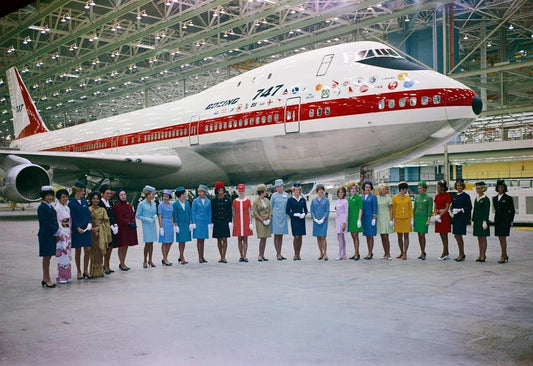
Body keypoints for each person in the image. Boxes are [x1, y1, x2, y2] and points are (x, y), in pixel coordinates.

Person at [68, 181, 92, 279]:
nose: (84, 193)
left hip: (86, 229)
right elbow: (72, 217)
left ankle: (86, 270)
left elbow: (87, 214)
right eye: (82, 191)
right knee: (78, 251)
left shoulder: (84, 202)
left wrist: (90, 222)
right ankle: (79, 271)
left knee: (88, 250)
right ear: (77, 191)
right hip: (78, 230)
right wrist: (77, 227)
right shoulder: (71, 203)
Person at [37, 186, 59, 288]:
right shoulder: (42, 207)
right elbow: (44, 222)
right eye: (47, 195)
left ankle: (45, 278)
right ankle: (47, 278)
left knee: (48, 257)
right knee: (46, 257)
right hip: (46, 235)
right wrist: (56, 230)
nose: (49, 197)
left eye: (51, 195)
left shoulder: (49, 206)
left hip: (51, 234)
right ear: (43, 196)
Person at [112, 188, 138, 270]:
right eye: (121, 195)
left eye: (124, 194)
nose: (123, 196)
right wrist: (128, 222)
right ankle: (122, 263)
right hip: (122, 229)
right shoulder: (116, 206)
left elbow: (132, 215)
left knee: (126, 246)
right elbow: (119, 218)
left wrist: (133, 221)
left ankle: (123, 262)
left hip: (128, 228)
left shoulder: (128, 205)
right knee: (121, 246)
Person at [88, 191, 111, 278]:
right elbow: (86, 221)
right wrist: (93, 229)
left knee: (100, 251)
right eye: (94, 198)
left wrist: (99, 228)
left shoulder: (102, 210)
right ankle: (92, 271)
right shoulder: (88, 209)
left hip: (100, 233)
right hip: (90, 233)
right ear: (91, 199)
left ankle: (99, 271)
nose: (95, 200)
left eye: (97, 199)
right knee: (92, 252)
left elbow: (106, 221)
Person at [493, 179, 515, 264]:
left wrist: (511, 220)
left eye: (502, 187)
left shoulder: (508, 198)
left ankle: (503, 255)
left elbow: (512, 210)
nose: (500, 189)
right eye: (499, 187)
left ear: (504, 188)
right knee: (500, 238)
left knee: (503, 238)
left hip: (505, 221)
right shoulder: (495, 198)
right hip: (498, 220)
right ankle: (505, 255)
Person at [136, 185, 158, 268]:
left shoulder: (154, 203)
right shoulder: (141, 204)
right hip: (146, 224)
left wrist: (155, 216)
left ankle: (150, 259)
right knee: (147, 243)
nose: (153, 196)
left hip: (152, 224)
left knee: (151, 243)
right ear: (147, 195)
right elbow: (138, 215)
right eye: (152, 194)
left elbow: (155, 212)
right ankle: (145, 260)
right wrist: (146, 219)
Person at [99, 184, 118, 274]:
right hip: (104, 227)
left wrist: (115, 224)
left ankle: (107, 265)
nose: (109, 195)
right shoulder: (100, 203)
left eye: (110, 193)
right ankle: (102, 265)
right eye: (107, 193)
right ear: (102, 193)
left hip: (111, 228)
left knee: (110, 247)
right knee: (104, 247)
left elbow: (112, 215)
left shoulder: (110, 203)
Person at [451, 179, 472, 262]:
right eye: (457, 185)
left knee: (458, 235)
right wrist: (453, 210)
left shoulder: (466, 196)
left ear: (463, 186)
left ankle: (461, 254)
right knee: (456, 235)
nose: (459, 187)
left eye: (460, 186)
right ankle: (461, 253)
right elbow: (453, 205)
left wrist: (461, 209)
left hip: (462, 218)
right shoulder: (455, 196)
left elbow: (469, 207)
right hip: (456, 218)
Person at [286, 183, 308, 260]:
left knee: (300, 237)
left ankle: (299, 253)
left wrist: (304, 214)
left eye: (298, 190)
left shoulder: (303, 199)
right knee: (296, 236)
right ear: (293, 190)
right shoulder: (290, 200)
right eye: (295, 190)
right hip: (294, 220)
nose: (297, 191)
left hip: (301, 220)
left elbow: (306, 210)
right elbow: (287, 211)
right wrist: (294, 214)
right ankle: (295, 253)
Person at [212, 181, 232, 263]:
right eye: (219, 190)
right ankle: (221, 255)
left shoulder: (227, 199)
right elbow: (213, 212)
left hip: (224, 220)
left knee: (225, 239)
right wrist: (212, 222)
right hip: (217, 221)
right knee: (219, 239)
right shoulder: (214, 200)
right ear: (217, 191)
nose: (220, 192)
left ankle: (224, 256)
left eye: (222, 190)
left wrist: (230, 221)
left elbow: (229, 211)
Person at [392, 182, 413, 260]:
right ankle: (401, 251)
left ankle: (405, 253)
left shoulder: (408, 198)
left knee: (406, 236)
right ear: (402, 189)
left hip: (406, 219)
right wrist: (392, 219)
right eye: (405, 189)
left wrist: (412, 219)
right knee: (399, 236)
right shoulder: (394, 198)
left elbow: (410, 209)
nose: (406, 191)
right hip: (398, 219)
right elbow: (393, 209)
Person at [191, 184, 212, 263]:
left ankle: (202, 256)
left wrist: (210, 222)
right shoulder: (195, 201)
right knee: (199, 240)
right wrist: (193, 222)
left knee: (203, 240)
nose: (199, 193)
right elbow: (193, 212)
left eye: (201, 192)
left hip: (205, 222)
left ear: (205, 192)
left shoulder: (208, 201)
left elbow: (209, 212)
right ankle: (200, 257)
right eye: (199, 192)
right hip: (198, 222)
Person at [55, 189, 72, 283]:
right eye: (63, 197)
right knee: (62, 255)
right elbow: (58, 222)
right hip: (61, 234)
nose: (65, 199)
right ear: (59, 198)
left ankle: (66, 276)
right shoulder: (57, 209)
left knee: (67, 255)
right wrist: (61, 234)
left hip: (67, 233)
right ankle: (61, 276)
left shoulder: (67, 208)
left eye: (66, 197)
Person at [233, 184, 253, 262]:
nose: (241, 192)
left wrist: (250, 222)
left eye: (242, 191)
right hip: (238, 221)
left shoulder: (247, 201)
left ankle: (245, 255)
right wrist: (233, 222)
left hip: (245, 221)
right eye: (239, 191)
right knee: (239, 239)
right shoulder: (235, 201)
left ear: (244, 191)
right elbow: (234, 212)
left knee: (245, 239)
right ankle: (241, 255)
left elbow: (249, 212)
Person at [413, 181, 433, 260]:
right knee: (419, 235)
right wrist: (413, 219)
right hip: (417, 217)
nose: (419, 190)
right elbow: (415, 209)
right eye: (418, 188)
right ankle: (422, 251)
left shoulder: (428, 198)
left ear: (424, 189)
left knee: (422, 235)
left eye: (420, 188)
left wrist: (428, 220)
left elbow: (430, 210)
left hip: (424, 218)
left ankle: (423, 251)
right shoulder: (417, 198)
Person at [270, 178, 289, 260]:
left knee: (281, 236)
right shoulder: (274, 196)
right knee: (276, 235)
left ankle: (280, 252)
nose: (278, 188)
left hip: (283, 217)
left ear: (282, 186)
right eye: (276, 187)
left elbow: (288, 206)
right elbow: (271, 207)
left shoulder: (286, 195)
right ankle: (277, 253)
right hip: (275, 217)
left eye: (279, 186)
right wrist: (270, 216)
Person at [172, 187, 191, 265]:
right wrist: (175, 225)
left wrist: (190, 223)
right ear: (179, 195)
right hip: (179, 223)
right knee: (180, 241)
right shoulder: (175, 204)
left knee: (184, 241)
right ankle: (182, 256)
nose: (184, 195)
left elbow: (189, 213)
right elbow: (175, 215)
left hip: (186, 223)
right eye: (183, 194)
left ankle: (181, 256)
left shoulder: (187, 203)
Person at [310, 183, 330, 261]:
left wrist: (323, 219)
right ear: (317, 191)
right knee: (318, 237)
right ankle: (320, 253)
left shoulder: (326, 200)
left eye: (322, 190)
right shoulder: (313, 200)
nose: (320, 191)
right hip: (316, 221)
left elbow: (327, 210)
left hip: (323, 221)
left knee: (323, 237)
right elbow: (311, 210)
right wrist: (314, 218)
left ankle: (325, 253)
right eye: (319, 190)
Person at [434, 180, 452, 261]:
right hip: (438, 217)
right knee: (441, 235)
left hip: (444, 217)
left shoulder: (447, 196)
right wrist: (435, 215)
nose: (437, 189)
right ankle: (447, 252)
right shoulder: (437, 196)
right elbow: (435, 207)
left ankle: (444, 253)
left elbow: (447, 208)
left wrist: (440, 215)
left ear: (442, 188)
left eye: (438, 187)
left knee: (445, 236)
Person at [472, 182, 490, 262]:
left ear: (483, 189)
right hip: (477, 221)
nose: (477, 190)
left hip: (483, 221)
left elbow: (486, 211)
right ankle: (480, 254)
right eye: (477, 188)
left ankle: (483, 255)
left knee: (483, 238)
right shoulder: (476, 198)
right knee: (479, 238)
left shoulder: (486, 199)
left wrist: (485, 221)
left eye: (479, 188)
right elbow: (475, 210)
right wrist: (472, 220)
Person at [253, 184, 271, 261]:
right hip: (260, 222)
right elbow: (255, 213)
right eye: (265, 191)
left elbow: (270, 210)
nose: (266, 192)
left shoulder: (267, 200)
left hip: (267, 220)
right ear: (262, 192)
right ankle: (260, 255)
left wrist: (269, 219)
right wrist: (263, 220)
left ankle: (263, 255)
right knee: (262, 238)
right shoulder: (255, 202)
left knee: (265, 238)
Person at [376, 183, 393, 260]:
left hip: (386, 218)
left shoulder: (388, 198)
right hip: (379, 218)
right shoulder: (376, 198)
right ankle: (385, 253)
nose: (385, 191)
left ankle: (388, 253)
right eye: (383, 189)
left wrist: (391, 219)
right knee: (382, 236)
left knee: (386, 236)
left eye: (386, 189)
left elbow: (391, 209)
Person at [361, 180, 377, 260]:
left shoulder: (373, 197)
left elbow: (375, 208)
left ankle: (370, 253)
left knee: (370, 236)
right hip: (364, 218)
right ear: (364, 187)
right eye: (366, 187)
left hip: (371, 218)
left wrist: (374, 218)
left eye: (369, 187)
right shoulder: (362, 197)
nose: (367, 188)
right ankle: (369, 251)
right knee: (367, 236)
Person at [158, 189, 175, 266]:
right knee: (165, 242)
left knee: (170, 241)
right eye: (164, 196)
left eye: (167, 196)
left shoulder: (171, 204)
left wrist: (173, 224)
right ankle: (165, 259)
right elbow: (160, 216)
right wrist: (161, 227)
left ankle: (165, 257)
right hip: (164, 222)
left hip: (170, 223)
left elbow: (172, 215)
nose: (165, 197)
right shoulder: (161, 205)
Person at [347, 182, 363, 260]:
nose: (353, 190)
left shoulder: (358, 198)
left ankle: (357, 253)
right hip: (350, 219)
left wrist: (359, 219)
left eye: (354, 188)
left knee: (356, 236)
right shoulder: (349, 198)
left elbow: (360, 209)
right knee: (353, 236)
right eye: (351, 188)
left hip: (356, 218)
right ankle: (356, 252)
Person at [335, 186, 348, 260]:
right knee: (340, 237)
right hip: (337, 220)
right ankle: (344, 254)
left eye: (342, 192)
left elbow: (346, 213)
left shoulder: (345, 201)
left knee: (341, 237)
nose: (340, 193)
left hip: (342, 220)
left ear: (344, 193)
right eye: (339, 192)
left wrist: (344, 223)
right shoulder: (337, 201)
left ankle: (340, 254)